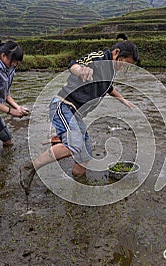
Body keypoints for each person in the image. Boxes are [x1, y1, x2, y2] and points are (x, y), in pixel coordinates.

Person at [20, 34, 140, 195]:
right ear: (116, 52)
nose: (124, 68)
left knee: (85, 155)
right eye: (124, 63)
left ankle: (77, 186)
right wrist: (81, 70)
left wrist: (123, 100)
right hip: (63, 106)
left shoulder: (111, 70)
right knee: (74, 145)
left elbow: (109, 88)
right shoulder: (99, 58)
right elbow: (74, 64)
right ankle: (30, 167)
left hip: (75, 114)